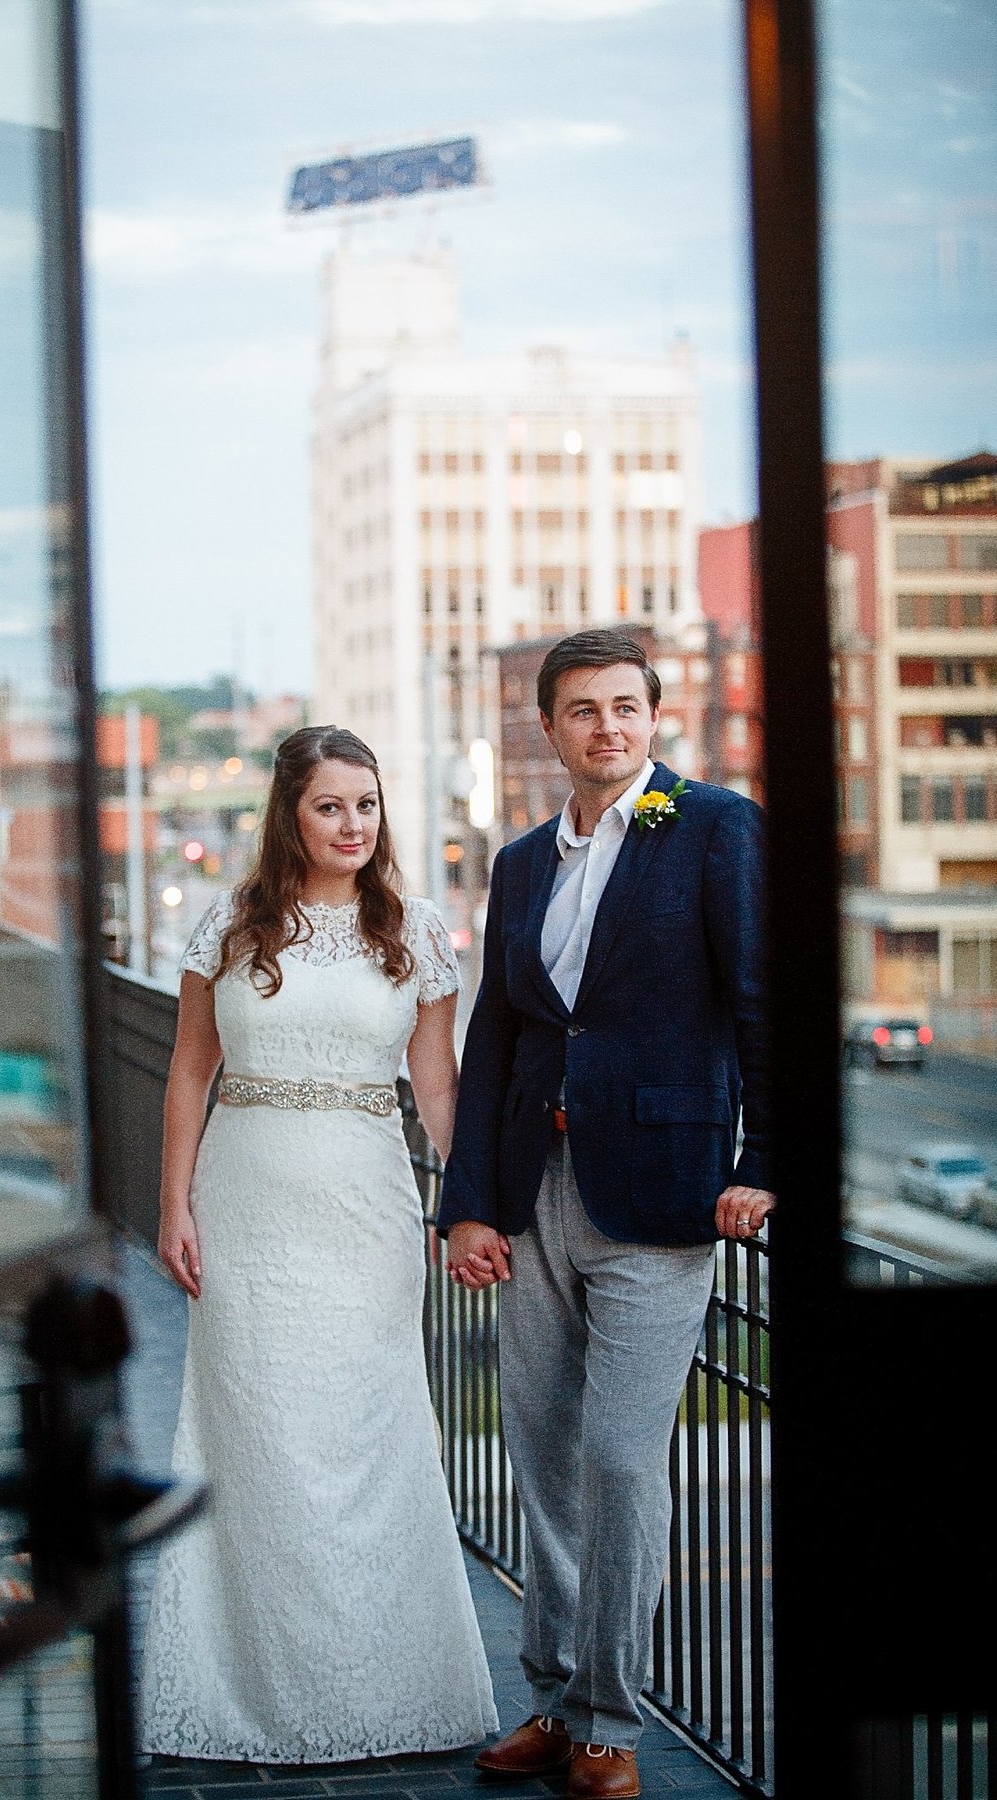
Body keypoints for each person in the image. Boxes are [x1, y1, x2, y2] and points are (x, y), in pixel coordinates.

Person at [438, 630, 773, 1800]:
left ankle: (611, 1728)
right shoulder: (524, 862)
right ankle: (552, 1693)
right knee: (539, 1448)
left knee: (625, 1462)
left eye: (626, 707)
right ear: (550, 729)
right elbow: (500, 1035)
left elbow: (761, 1005)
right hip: (535, 1191)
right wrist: (469, 1202)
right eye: (583, 711)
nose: (607, 728)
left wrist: (763, 1161)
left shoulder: (717, 829)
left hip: (664, 1195)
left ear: (654, 716)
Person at [140, 725, 498, 1765]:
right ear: (289, 814)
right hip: (245, 1206)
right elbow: (187, 1076)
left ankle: (385, 1693)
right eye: (330, 806)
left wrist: (471, 1204)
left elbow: (439, 1093)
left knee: (366, 1440)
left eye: (368, 806)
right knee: (257, 1441)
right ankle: (252, 1694)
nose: (352, 825)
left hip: (366, 1213)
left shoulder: (417, 932)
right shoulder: (232, 924)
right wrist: (174, 1207)